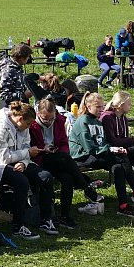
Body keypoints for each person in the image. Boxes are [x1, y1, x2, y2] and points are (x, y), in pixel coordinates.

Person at [0, 101, 54, 238]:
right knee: (21, 181)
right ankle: (18, 226)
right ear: (20, 119)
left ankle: (46, 219)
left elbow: (26, 147)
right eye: (27, 124)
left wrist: (24, 162)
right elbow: (4, 158)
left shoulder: (23, 127)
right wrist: (26, 153)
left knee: (46, 177)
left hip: (18, 161)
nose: (29, 127)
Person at [30, 97, 100, 229]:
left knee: (67, 178)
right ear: (38, 114)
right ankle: (86, 187)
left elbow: (64, 143)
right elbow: (29, 147)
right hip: (39, 159)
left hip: (57, 159)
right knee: (64, 158)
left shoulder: (59, 121)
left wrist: (56, 150)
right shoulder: (32, 125)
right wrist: (43, 149)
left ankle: (65, 216)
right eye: (45, 119)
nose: (49, 122)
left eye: (51, 118)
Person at [69, 92, 134, 217]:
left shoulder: (97, 122)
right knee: (121, 158)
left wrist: (112, 149)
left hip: (96, 154)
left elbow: (102, 142)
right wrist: (110, 150)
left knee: (118, 167)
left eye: (102, 106)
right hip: (82, 157)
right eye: (98, 107)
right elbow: (89, 148)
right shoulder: (83, 122)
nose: (101, 109)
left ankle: (123, 206)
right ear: (88, 106)